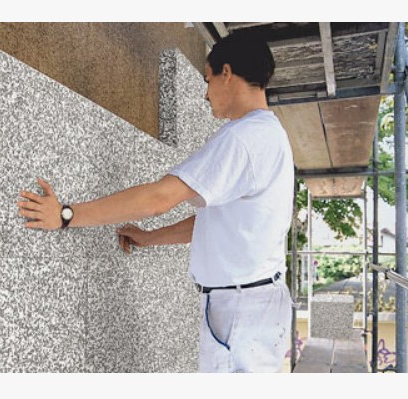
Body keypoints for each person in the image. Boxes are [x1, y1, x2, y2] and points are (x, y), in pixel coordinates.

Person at [16, 32, 294, 373]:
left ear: (226, 72)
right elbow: (219, 222)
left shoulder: (245, 137)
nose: (205, 94)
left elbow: (160, 197)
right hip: (251, 305)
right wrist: (150, 238)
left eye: (207, 81)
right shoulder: (269, 135)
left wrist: (65, 215)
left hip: (241, 309)